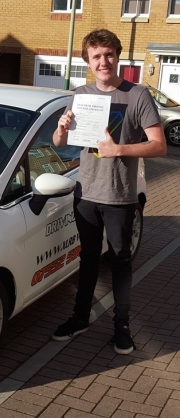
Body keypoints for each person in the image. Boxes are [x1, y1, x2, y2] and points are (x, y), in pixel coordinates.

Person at [51, 29, 167, 354]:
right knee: (87, 259)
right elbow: (61, 145)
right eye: (96, 56)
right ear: (88, 61)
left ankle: (122, 326)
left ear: (117, 56)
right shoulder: (81, 94)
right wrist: (60, 129)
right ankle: (80, 317)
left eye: (108, 55)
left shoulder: (137, 95)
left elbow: (159, 146)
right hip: (86, 193)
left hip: (119, 197)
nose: (103, 61)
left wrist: (120, 150)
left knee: (120, 261)